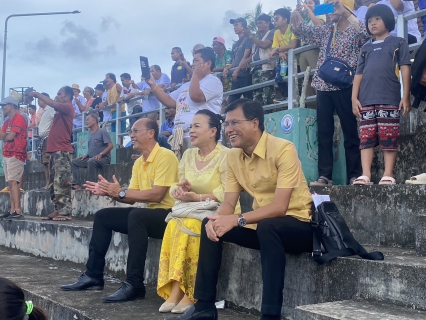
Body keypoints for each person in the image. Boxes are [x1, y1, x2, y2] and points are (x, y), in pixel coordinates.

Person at [167, 99, 313, 320]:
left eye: (235, 122)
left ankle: (270, 314)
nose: (229, 130)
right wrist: (217, 220)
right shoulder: (233, 156)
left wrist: (237, 220)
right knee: (211, 223)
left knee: (268, 226)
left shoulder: (283, 149)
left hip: (299, 225)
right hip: (262, 226)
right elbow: (228, 203)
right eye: (226, 124)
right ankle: (205, 305)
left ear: (255, 123)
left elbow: (280, 207)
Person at [60, 118, 179, 304]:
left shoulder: (166, 156)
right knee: (103, 216)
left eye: (135, 131)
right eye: (131, 131)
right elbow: (130, 197)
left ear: (151, 133)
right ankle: (93, 275)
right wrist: (110, 193)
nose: (131, 135)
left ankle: (135, 284)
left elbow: (157, 195)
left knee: (137, 216)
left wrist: (120, 192)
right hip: (147, 215)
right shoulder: (140, 162)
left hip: (170, 215)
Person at [157, 110, 234, 315]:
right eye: (191, 126)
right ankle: (176, 288)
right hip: (190, 208)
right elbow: (175, 186)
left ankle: (191, 292)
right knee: (174, 223)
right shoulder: (189, 154)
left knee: (193, 225)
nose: (191, 130)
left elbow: (227, 191)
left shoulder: (226, 155)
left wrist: (198, 197)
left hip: (217, 208)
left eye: (197, 126)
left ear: (213, 131)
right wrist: (180, 189)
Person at [291, 0, 367, 186]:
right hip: (323, 86)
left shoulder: (355, 30)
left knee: (350, 131)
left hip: (345, 86)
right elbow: (303, 32)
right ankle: (325, 176)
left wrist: (346, 13)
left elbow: (367, 34)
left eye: (333, 7)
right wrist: (296, 20)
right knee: (324, 132)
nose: (330, 12)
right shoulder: (327, 30)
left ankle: (355, 174)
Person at [352, 4, 411, 186]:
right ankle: (366, 174)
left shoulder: (398, 42)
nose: (373, 23)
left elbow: (405, 69)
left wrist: (405, 96)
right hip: (366, 100)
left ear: (388, 20)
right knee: (366, 138)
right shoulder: (365, 48)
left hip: (389, 97)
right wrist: (354, 98)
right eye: (369, 20)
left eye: (377, 19)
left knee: (389, 136)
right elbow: (358, 74)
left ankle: (388, 174)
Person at [147, 48, 223, 153]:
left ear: (208, 63)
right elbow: (168, 100)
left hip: (202, 139)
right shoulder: (186, 85)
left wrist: (195, 74)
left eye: (196, 61)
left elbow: (196, 96)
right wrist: (153, 85)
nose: (192, 64)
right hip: (180, 138)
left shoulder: (213, 81)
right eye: (193, 61)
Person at [27, 87, 74, 221]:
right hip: (55, 151)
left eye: (60, 94)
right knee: (54, 183)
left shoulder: (68, 107)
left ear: (68, 96)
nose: (57, 96)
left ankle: (65, 212)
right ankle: (58, 209)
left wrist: (37, 94)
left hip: (62, 151)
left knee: (62, 182)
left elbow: (53, 104)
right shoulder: (59, 110)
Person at [0, 97, 27, 219]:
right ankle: (12, 210)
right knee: (10, 183)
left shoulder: (19, 118)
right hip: (7, 153)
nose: (2, 108)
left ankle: (17, 210)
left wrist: (6, 136)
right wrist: (6, 136)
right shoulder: (7, 121)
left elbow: (10, 136)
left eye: (4, 105)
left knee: (13, 181)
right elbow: (3, 136)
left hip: (16, 153)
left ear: (11, 105)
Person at [71, 114, 113, 190]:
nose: (86, 121)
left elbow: (110, 146)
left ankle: (91, 185)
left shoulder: (102, 131)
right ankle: (77, 184)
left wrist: (101, 154)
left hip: (104, 158)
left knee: (91, 161)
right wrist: (86, 155)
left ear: (94, 121)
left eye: (88, 119)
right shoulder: (90, 135)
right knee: (74, 162)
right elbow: (94, 149)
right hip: (92, 158)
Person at [296, 0, 326, 107]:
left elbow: (319, 25)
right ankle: (312, 109)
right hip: (303, 50)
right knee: (306, 81)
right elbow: (298, 32)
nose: (307, 5)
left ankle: (323, 106)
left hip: (314, 50)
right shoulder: (307, 18)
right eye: (306, 3)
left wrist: (308, 11)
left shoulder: (321, 13)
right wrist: (297, 14)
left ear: (316, 4)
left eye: (310, 3)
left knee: (317, 77)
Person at [244, 13, 276, 106]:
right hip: (256, 70)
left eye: (261, 23)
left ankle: (269, 118)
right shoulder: (258, 38)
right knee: (257, 99)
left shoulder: (272, 32)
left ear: (268, 23)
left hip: (267, 69)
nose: (258, 25)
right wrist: (247, 60)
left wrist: (251, 36)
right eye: (257, 23)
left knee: (267, 97)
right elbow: (255, 54)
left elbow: (264, 45)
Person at [269, 8, 299, 103]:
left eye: (277, 18)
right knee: (279, 77)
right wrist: (280, 52)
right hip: (284, 62)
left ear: (285, 20)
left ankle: (295, 99)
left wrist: (278, 50)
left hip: (296, 61)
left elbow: (293, 45)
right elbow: (274, 48)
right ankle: (286, 97)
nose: (274, 21)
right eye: (274, 19)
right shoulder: (276, 32)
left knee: (296, 80)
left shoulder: (292, 28)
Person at [223, 17, 253, 105]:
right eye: (234, 25)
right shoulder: (235, 44)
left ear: (243, 26)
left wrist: (236, 70)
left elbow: (245, 56)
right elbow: (234, 61)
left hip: (244, 74)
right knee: (231, 102)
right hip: (236, 76)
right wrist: (227, 68)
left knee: (248, 99)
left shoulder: (248, 39)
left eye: (237, 25)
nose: (234, 27)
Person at [36, 92, 56, 190]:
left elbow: (55, 119)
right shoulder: (43, 111)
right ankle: (48, 182)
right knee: (45, 163)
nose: (39, 101)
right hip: (43, 138)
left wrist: (50, 130)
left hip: (48, 137)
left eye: (40, 99)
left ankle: (50, 182)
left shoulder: (50, 108)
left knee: (48, 162)